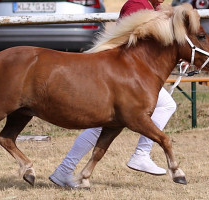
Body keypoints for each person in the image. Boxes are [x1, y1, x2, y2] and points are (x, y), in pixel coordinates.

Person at [49, 0, 176, 188]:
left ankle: (64, 170)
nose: (164, 0)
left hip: (127, 75)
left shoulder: (148, 6)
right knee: (164, 105)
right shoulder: (138, 5)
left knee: (100, 126)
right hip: (123, 76)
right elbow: (129, 41)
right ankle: (141, 154)